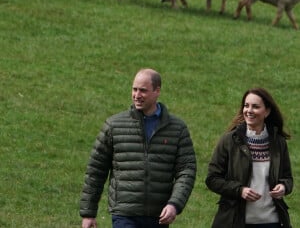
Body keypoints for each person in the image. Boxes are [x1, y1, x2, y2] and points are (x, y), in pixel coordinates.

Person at [80, 68, 197, 228]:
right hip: (124, 214)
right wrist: (88, 213)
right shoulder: (114, 126)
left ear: (157, 91)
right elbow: (96, 170)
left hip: (159, 216)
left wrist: (174, 204)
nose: (137, 95)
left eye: (143, 90)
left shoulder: (177, 129)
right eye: (134, 89)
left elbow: (186, 171)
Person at [205, 87, 293, 228]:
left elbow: (287, 178)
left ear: (267, 111)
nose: (249, 111)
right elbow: (212, 179)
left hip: (271, 222)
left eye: (255, 107)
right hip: (236, 221)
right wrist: (240, 190)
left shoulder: (278, 142)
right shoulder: (229, 141)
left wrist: (283, 187)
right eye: (246, 106)